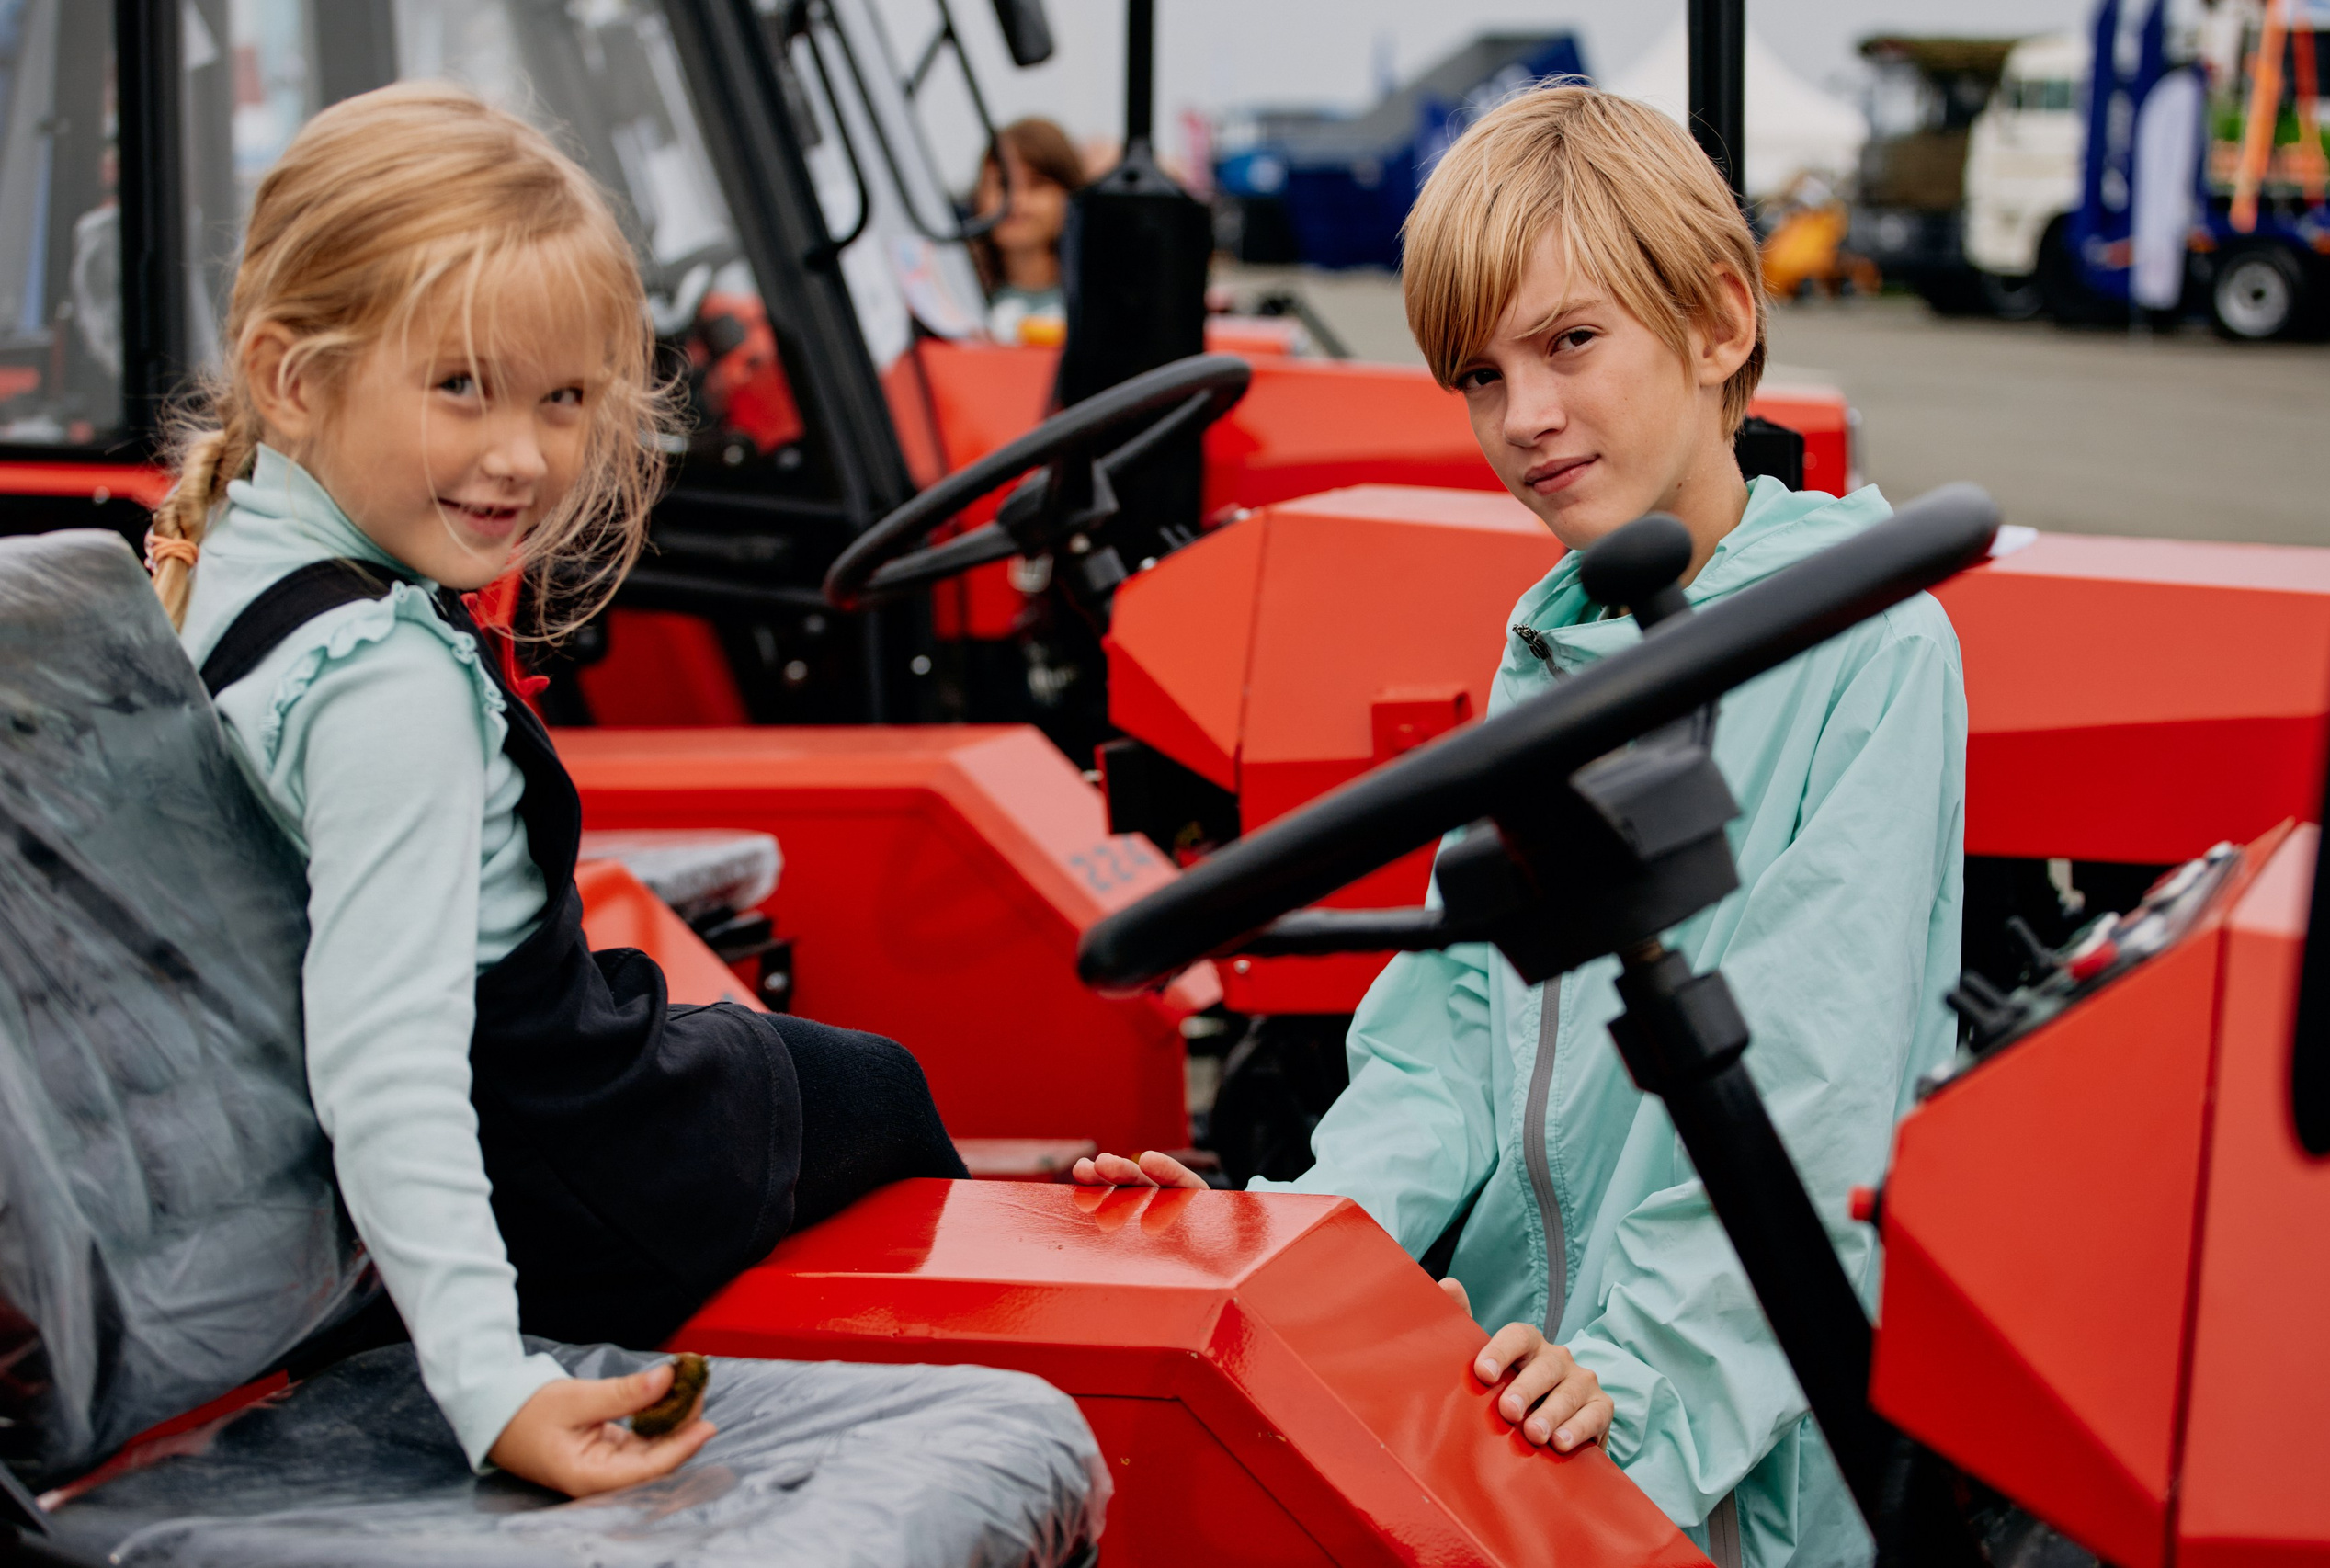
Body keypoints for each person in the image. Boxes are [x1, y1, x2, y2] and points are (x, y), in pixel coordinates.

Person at [1074, 84, 1966, 1568]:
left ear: (1719, 323)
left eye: (1571, 343)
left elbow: (1816, 1077)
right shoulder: (1553, 647)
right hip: (1517, 1397)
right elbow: (1451, 1042)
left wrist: (1641, 1382)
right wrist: (1272, 1239)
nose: (1525, 419)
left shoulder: (1868, 644)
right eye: (1482, 377)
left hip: (1709, 1449)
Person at [144, 84, 967, 1501]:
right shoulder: (385, 686)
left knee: (752, 1041)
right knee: (878, 1086)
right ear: (291, 378)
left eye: (562, 398)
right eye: (462, 385)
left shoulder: (226, 556)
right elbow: (390, 1055)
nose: (520, 454)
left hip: (540, 1104)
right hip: (568, 1163)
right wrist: (494, 1380)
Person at [969, 118, 1084, 344]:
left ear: (1071, 196)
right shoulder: (954, 301)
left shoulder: (1100, 302)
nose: (1016, 202)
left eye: (1036, 184)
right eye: (1002, 184)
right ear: (978, 196)